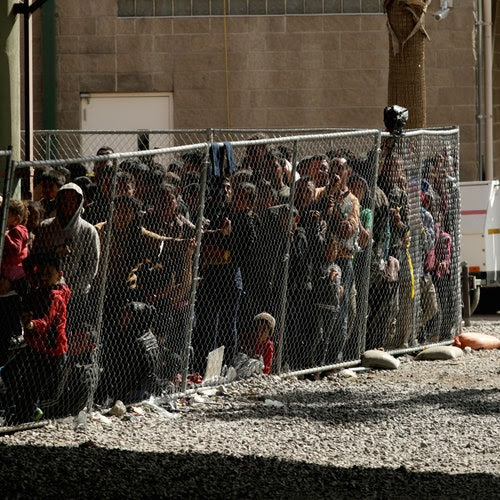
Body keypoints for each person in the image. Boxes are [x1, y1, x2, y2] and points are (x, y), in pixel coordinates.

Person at [1, 252, 71, 423]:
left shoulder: (55, 296)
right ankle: (19, 411)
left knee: (31, 387)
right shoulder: (41, 290)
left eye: (49, 274)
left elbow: (46, 321)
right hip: (36, 347)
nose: (45, 277)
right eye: (43, 273)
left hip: (51, 352)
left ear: (59, 275)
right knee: (11, 374)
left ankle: (26, 415)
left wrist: (31, 324)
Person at [29, 183, 100, 332]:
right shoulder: (45, 227)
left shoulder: (88, 231)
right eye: (64, 199)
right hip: (46, 292)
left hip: (76, 296)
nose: (68, 204)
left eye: (73, 200)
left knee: (71, 334)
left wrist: (67, 288)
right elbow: (36, 257)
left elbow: (91, 267)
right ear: (58, 201)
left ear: (79, 203)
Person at [0, 200, 29, 366]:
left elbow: (15, 249)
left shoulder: (18, 230)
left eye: (7, 215)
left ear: (16, 218)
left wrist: (4, 236)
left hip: (14, 280)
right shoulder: (11, 230)